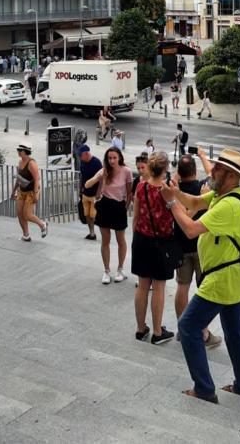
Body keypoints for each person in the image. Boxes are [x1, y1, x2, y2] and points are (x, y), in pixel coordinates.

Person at [160, 148, 240, 403]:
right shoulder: (222, 195)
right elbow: (193, 203)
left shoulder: (230, 205)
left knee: (188, 327)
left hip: (221, 279)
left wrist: (170, 202)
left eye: (220, 169)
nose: (213, 171)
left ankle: (203, 388)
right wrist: (175, 192)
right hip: (232, 277)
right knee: (235, 333)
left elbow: (190, 229)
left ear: (232, 177)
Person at [173, 152, 222, 349]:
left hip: (181, 246)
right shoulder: (203, 188)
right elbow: (212, 174)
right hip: (202, 248)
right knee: (204, 291)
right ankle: (203, 331)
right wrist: (202, 155)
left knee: (182, 286)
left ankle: (182, 327)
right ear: (194, 170)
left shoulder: (174, 191)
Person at [131, 151, 176, 345]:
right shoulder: (168, 191)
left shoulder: (141, 187)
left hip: (141, 239)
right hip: (162, 242)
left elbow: (135, 217)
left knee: (142, 285)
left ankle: (141, 329)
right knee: (158, 287)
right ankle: (158, 332)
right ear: (165, 169)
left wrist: (136, 237)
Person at [91, 146, 133, 284]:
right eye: (109, 158)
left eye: (114, 157)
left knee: (121, 240)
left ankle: (120, 269)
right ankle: (106, 271)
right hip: (105, 205)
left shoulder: (126, 171)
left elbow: (129, 192)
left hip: (119, 206)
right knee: (105, 240)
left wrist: (125, 208)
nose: (112, 160)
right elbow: (93, 186)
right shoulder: (104, 171)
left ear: (119, 157)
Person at [12, 145, 48, 242]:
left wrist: (36, 194)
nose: (18, 151)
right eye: (18, 149)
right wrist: (13, 191)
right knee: (20, 213)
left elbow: (37, 179)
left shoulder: (31, 163)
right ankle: (26, 235)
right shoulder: (20, 162)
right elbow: (19, 178)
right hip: (21, 191)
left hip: (31, 192)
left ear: (26, 151)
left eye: (20, 150)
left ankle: (42, 224)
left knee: (27, 215)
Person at [79, 144, 102, 241]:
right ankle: (91, 233)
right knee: (87, 214)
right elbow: (82, 177)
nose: (79, 157)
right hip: (85, 193)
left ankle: (103, 232)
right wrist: (80, 189)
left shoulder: (96, 163)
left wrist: (99, 192)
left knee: (93, 215)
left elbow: (102, 179)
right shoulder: (82, 162)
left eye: (80, 155)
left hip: (94, 195)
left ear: (86, 154)